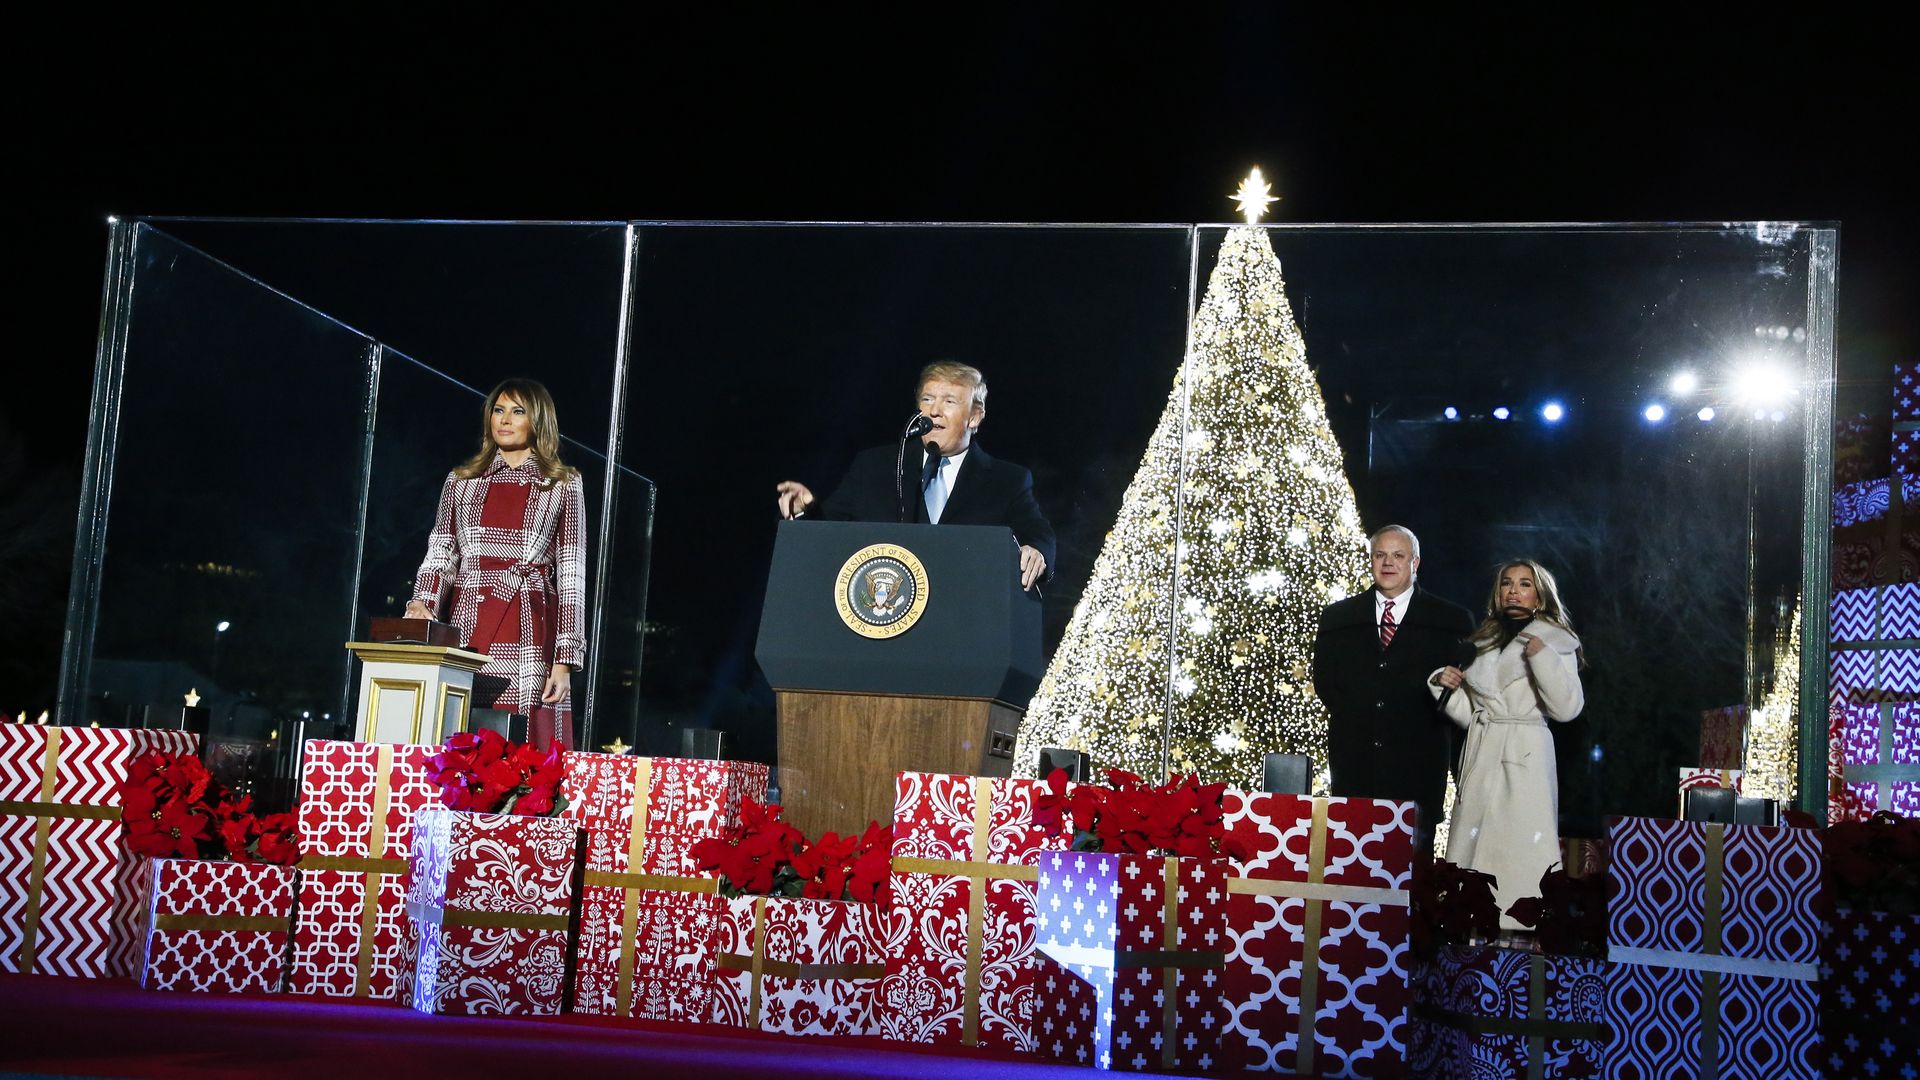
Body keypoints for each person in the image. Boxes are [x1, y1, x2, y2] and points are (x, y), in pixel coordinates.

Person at [405, 378, 586, 750]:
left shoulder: (562, 483)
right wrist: (422, 602)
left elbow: (572, 574)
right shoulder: (461, 480)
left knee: (523, 746)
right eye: (498, 410)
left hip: (529, 624)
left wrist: (565, 661)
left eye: (517, 411)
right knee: (460, 729)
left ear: (537, 421)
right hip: (468, 620)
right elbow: (441, 550)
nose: (504, 420)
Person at [775, 361, 1055, 589]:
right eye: (928, 399)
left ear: (975, 417)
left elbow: (1038, 533)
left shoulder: (1007, 481)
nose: (934, 410)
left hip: (960, 627)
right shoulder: (874, 466)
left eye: (949, 401)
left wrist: (1037, 551)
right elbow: (828, 532)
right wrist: (805, 510)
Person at [1431, 559, 1585, 927]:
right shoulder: (1480, 643)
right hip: (1483, 751)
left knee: (1524, 849)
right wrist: (1444, 684)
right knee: (1472, 844)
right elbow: (1471, 714)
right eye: (1506, 584)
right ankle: (1466, 917)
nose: (1513, 590)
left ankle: (1526, 925)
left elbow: (1567, 709)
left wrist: (1542, 659)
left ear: (1540, 595)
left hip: (1526, 753)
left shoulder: (1555, 641)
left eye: (1524, 584)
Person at [1312, 525, 1475, 853]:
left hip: (1418, 766)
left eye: (1398, 556)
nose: (1388, 563)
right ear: (1370, 561)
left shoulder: (1451, 620)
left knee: (1412, 879)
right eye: (1380, 555)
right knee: (1351, 869)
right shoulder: (1338, 618)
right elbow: (1326, 684)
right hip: (1354, 764)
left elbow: (1461, 693)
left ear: (1415, 563)